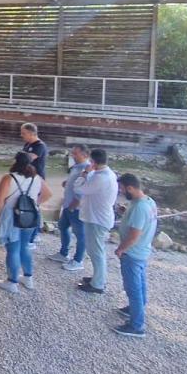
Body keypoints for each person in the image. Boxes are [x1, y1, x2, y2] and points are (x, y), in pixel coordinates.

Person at [0, 156, 51, 292]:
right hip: (30, 216)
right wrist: (35, 203)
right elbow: (48, 194)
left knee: (13, 249)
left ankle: (12, 281)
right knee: (25, 247)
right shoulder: (36, 177)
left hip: (12, 216)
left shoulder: (9, 178)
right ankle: (28, 277)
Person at [114, 173, 157, 338]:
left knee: (133, 289)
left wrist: (121, 249)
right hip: (142, 251)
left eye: (123, 189)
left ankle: (136, 325)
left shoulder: (140, 208)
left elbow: (134, 235)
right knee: (140, 284)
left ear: (130, 188)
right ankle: (135, 309)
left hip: (133, 253)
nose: (121, 191)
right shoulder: (148, 201)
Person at [76, 149, 118, 295]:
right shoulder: (105, 174)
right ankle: (97, 277)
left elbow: (79, 188)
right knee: (95, 250)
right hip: (97, 217)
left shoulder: (101, 178)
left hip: (97, 219)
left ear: (93, 162)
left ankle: (98, 284)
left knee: (96, 251)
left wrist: (84, 173)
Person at [49, 144, 91, 272]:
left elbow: (84, 190)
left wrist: (74, 205)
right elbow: (74, 183)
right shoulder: (76, 167)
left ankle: (78, 260)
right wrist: (67, 183)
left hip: (76, 207)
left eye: (75, 153)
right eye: (72, 153)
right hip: (68, 204)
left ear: (85, 155)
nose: (73, 155)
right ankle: (63, 253)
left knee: (80, 234)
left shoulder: (87, 170)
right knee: (62, 227)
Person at [19, 123, 49, 250]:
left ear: (32, 133)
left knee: (33, 206)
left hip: (36, 180)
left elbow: (27, 159)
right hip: (27, 179)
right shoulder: (27, 144)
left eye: (24, 133)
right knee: (28, 205)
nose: (21, 135)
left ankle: (33, 237)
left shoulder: (39, 146)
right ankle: (30, 230)